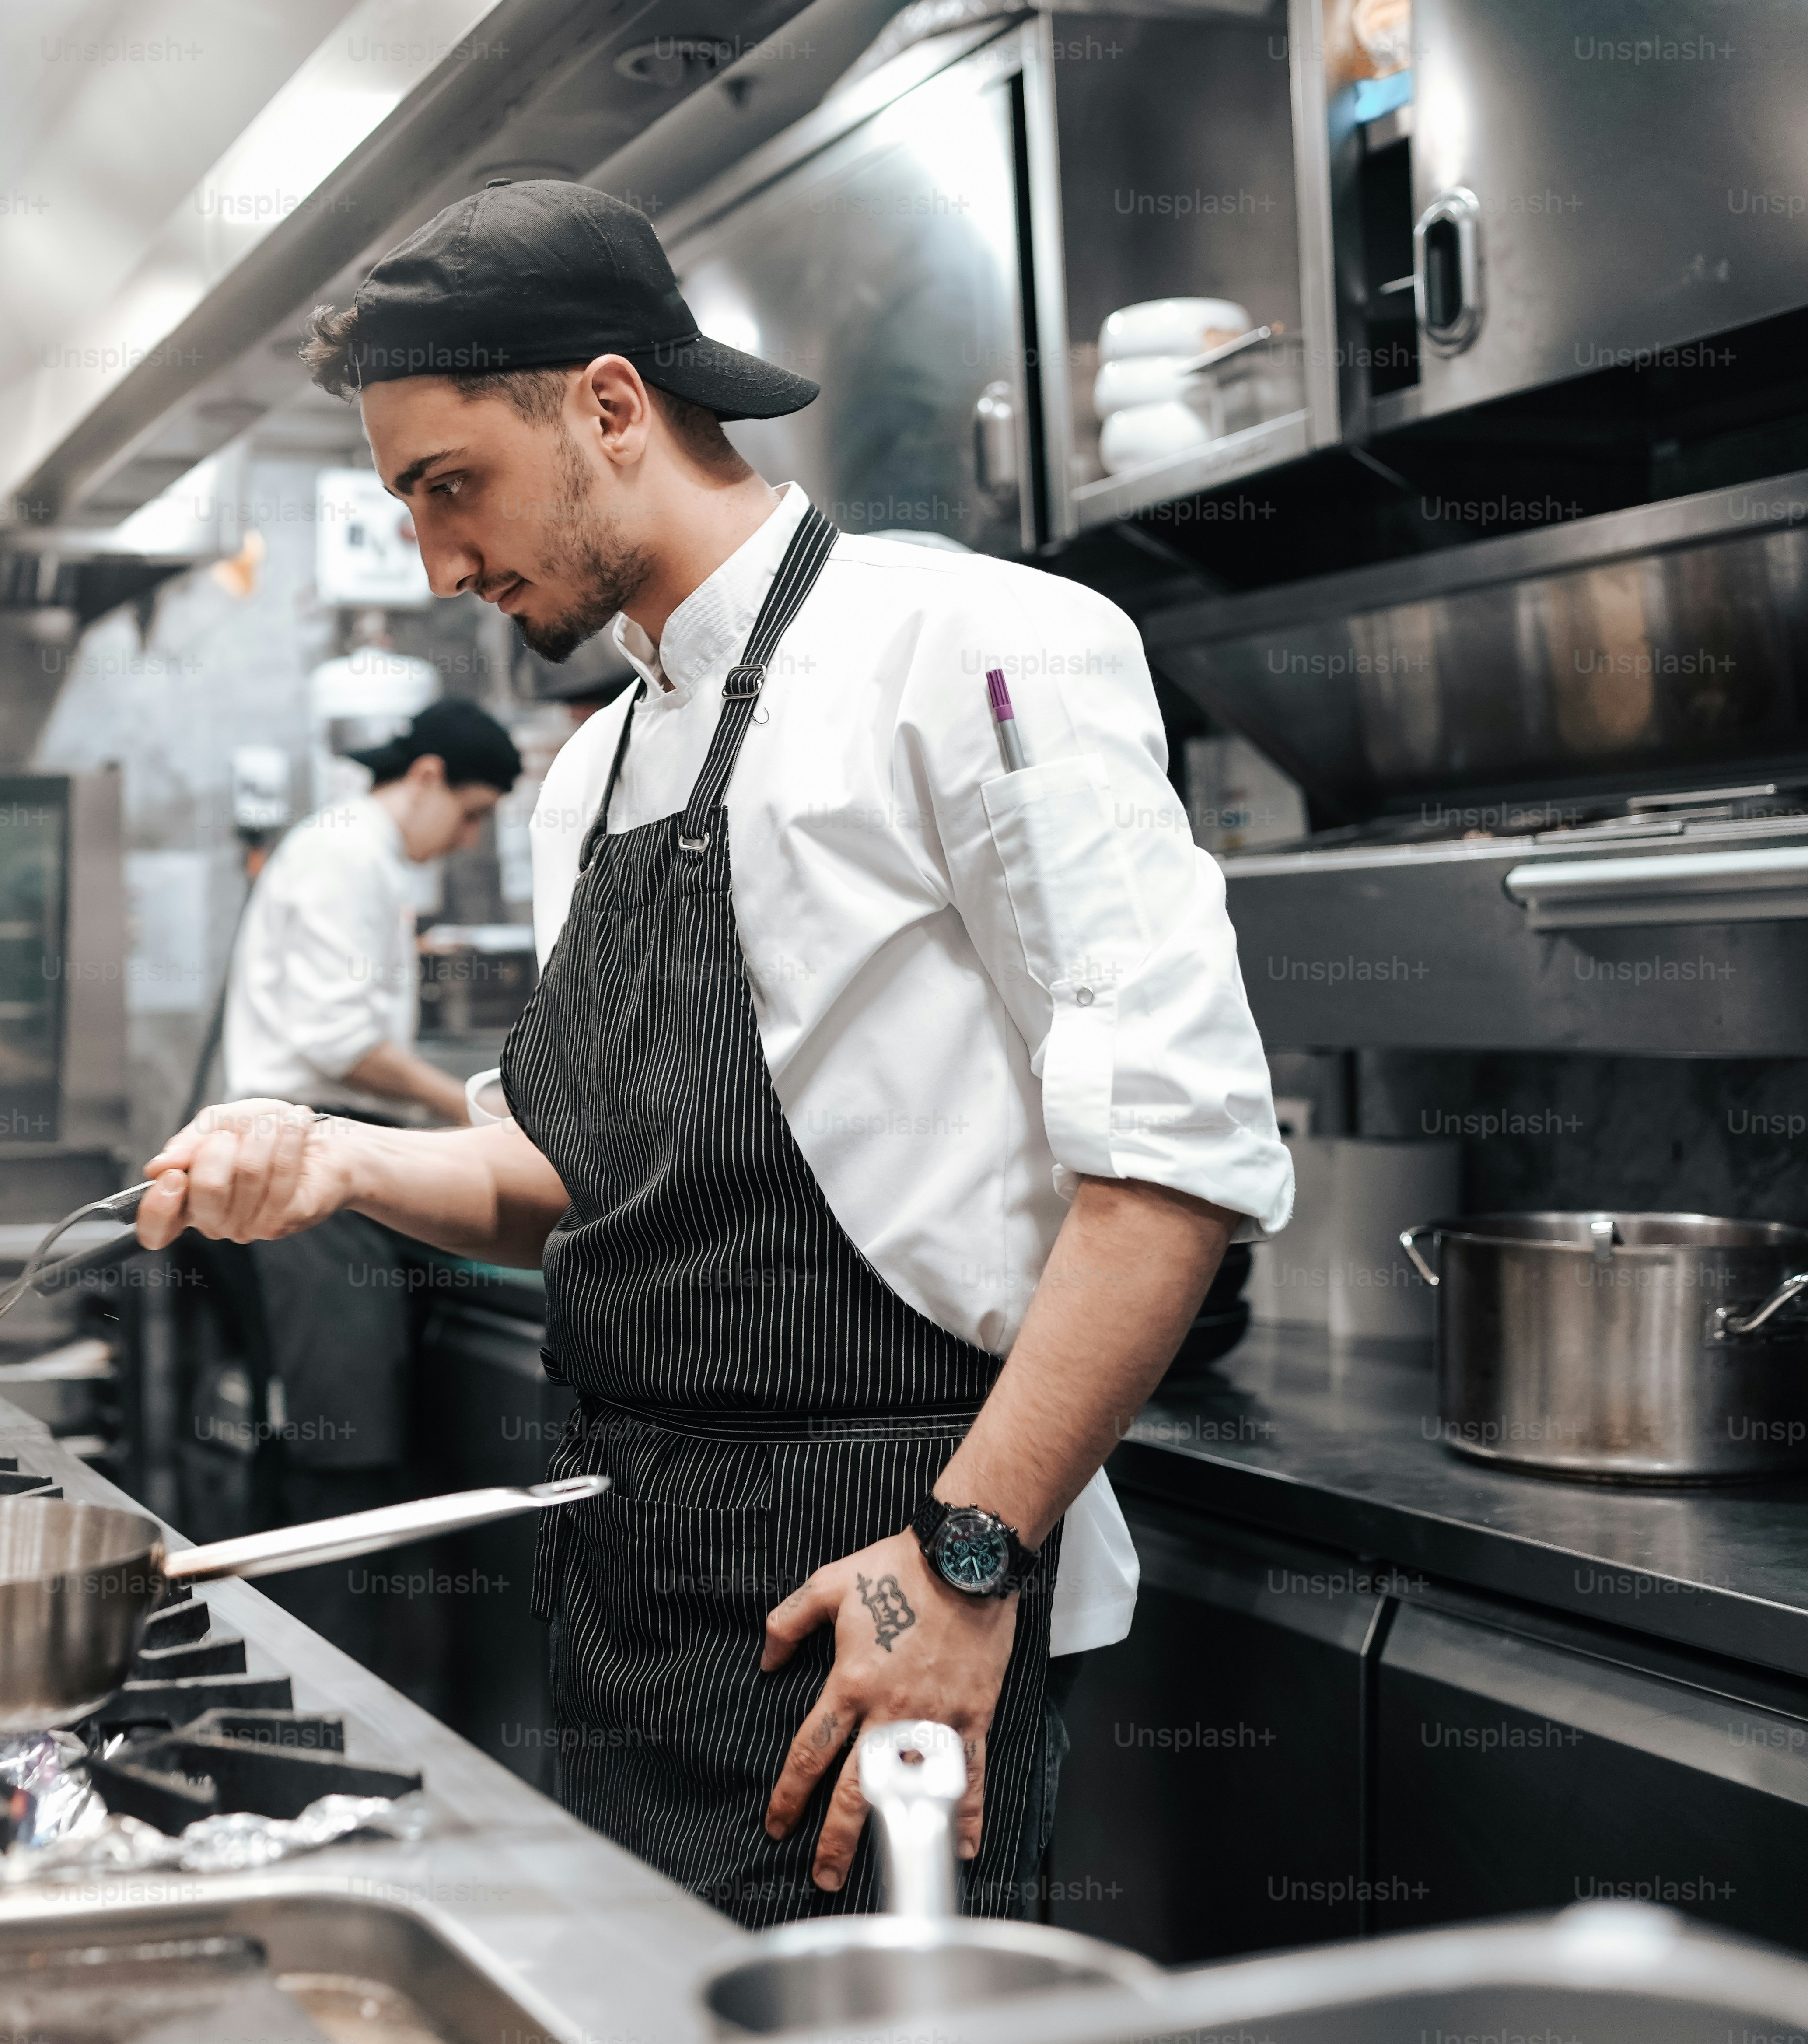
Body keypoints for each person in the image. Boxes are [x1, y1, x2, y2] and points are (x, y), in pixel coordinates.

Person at [136, 181, 1292, 1929]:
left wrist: (968, 1565)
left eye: (450, 485)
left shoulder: (978, 648)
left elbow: (1171, 1171)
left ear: (609, 406)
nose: (441, 561)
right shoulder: (588, 773)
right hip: (626, 1589)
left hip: (880, 1579)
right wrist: (337, 1157)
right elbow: (570, 1185)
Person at [197, 698, 518, 1666]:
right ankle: (323, 1690)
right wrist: (473, 1109)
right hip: (305, 1169)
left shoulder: (360, 855)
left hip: (323, 1158)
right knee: (342, 1450)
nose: (466, 837)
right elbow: (341, 1042)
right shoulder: (346, 851)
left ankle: (332, 1678)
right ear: (425, 776)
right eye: (469, 814)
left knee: (347, 1441)